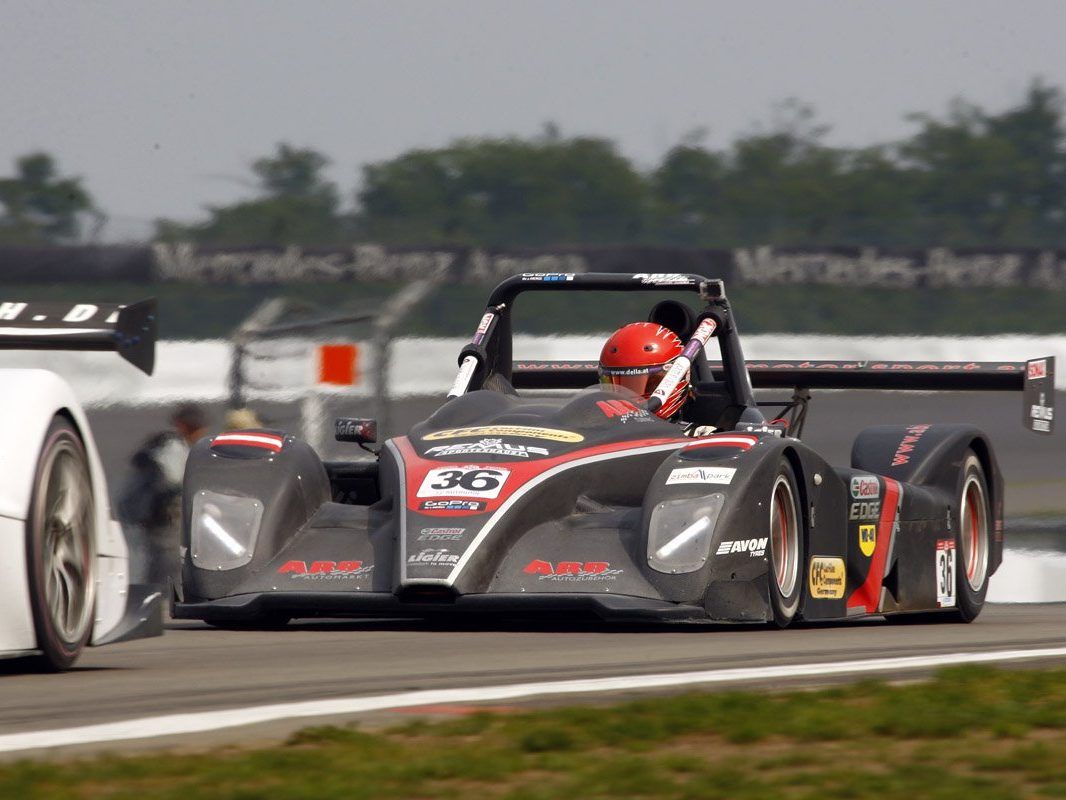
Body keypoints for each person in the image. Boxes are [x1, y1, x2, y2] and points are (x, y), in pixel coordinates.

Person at [118, 403, 208, 592]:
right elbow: (173, 480)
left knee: (160, 563)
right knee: (167, 564)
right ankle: (160, 603)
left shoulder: (165, 446)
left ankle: (156, 600)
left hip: (157, 518)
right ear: (185, 425)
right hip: (164, 519)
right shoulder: (173, 447)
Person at [598, 322, 714, 434]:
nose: (629, 399)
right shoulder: (594, 432)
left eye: (640, 385)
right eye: (616, 387)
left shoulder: (700, 437)